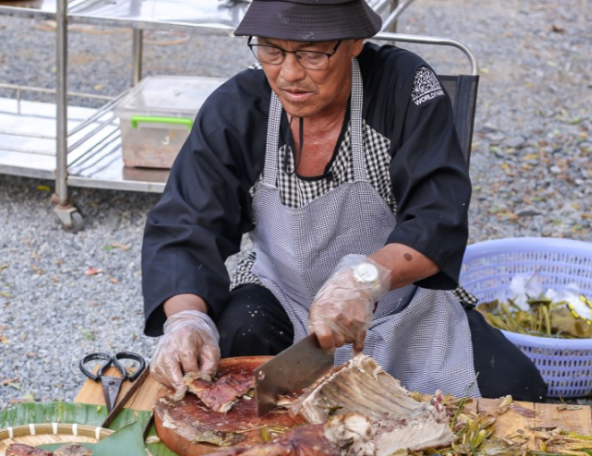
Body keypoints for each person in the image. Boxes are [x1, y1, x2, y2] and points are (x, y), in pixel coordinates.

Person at [141, 0, 548, 402]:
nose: (289, 74)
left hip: (404, 309)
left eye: (312, 54)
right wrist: (186, 319)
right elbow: (186, 224)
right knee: (237, 342)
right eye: (271, 49)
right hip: (285, 298)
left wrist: (364, 281)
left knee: (519, 391)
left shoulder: (404, 86)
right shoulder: (238, 108)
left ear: (354, 41)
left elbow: (437, 216)